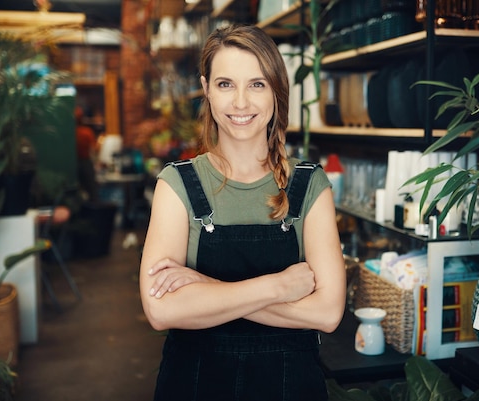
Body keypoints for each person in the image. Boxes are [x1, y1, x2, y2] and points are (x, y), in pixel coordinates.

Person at [139, 24, 347, 401]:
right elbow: (161, 311)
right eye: (224, 84)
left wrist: (204, 290)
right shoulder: (177, 185)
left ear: (276, 91)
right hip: (195, 384)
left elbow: (327, 313)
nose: (240, 103)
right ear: (205, 89)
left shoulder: (308, 185)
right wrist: (278, 287)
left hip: (289, 387)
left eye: (256, 84)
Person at [75, 106, 99, 202]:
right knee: (92, 190)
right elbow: (93, 149)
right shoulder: (87, 132)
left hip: (76, 163)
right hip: (85, 163)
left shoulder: (72, 132)